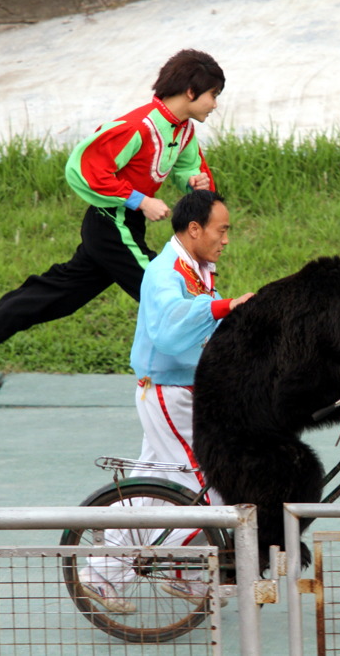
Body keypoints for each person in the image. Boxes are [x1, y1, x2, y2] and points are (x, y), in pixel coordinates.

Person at [0, 49, 225, 387]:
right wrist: (140, 201)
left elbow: (188, 169)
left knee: (62, 293)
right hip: (112, 223)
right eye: (213, 95)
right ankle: (221, 361)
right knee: (164, 285)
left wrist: (192, 183)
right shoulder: (138, 127)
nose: (215, 104)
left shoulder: (182, 132)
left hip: (120, 225)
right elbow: (86, 168)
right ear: (190, 92)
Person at [78, 189, 253, 613]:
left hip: (177, 388)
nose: (226, 239)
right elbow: (173, 329)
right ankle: (181, 570)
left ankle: (102, 574)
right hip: (169, 392)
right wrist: (226, 307)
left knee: (147, 494)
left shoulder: (195, 264)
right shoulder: (165, 272)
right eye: (222, 230)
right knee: (202, 487)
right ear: (195, 229)